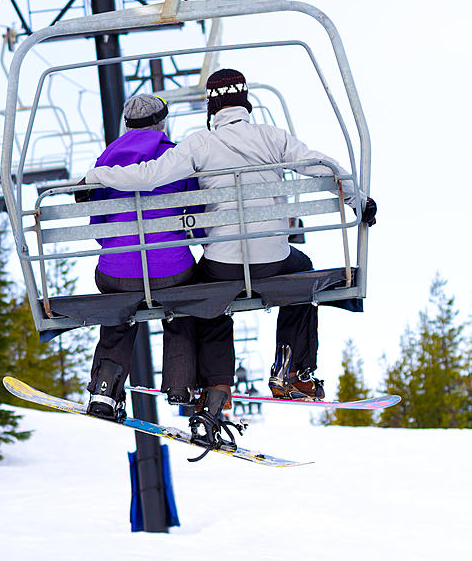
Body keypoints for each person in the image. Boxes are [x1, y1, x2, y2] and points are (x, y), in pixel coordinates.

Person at [85, 69, 378, 401]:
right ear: (246, 102)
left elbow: (150, 175)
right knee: (303, 271)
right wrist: (357, 198)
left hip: (222, 265)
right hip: (274, 260)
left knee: (209, 295)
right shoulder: (273, 137)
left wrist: (97, 175)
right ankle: (293, 372)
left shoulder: (199, 144)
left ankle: (211, 391)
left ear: (212, 109)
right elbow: (321, 165)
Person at [81, 94, 234, 425]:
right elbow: (196, 213)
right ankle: (180, 384)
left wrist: (119, 250)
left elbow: (97, 223)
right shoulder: (176, 155)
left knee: (116, 311)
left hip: (117, 270)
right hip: (171, 272)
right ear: (162, 123)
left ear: (126, 124)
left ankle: (104, 391)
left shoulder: (104, 161)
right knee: (183, 305)